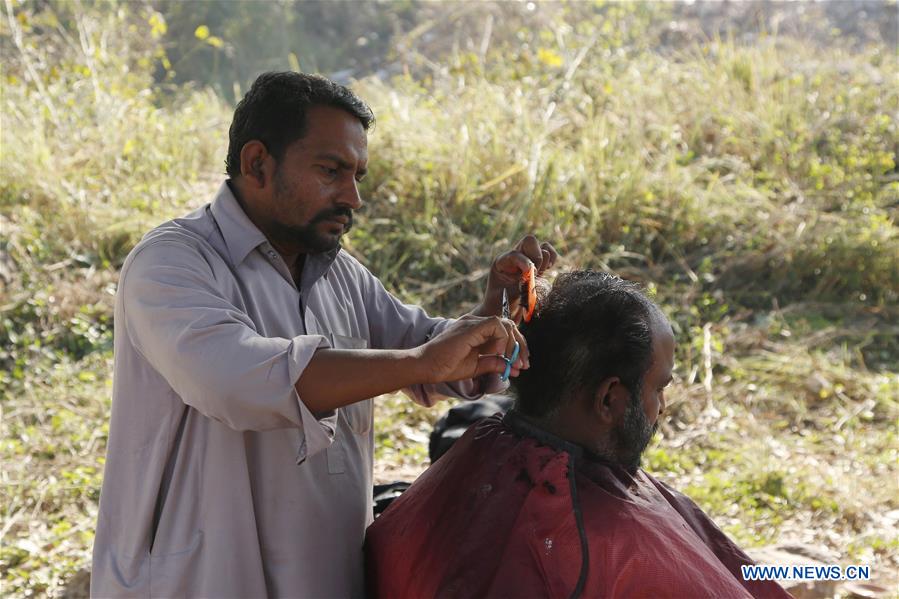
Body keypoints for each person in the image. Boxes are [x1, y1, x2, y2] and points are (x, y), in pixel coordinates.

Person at [90, 71, 557, 598]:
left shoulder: (340, 275)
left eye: (358, 175)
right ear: (257, 163)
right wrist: (422, 361)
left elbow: (433, 348)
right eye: (332, 171)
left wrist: (497, 306)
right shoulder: (171, 263)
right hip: (197, 581)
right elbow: (234, 379)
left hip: (322, 577)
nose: (353, 197)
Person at [365, 271, 791, 599]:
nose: (662, 406)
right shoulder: (609, 545)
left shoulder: (472, 455)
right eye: (659, 387)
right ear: (609, 399)